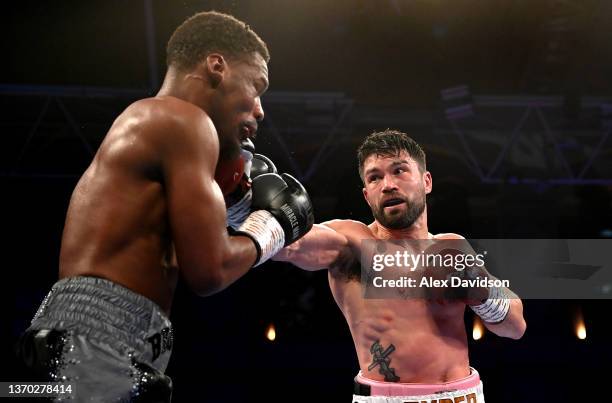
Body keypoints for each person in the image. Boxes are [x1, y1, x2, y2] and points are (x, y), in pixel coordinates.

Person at [17, 11, 313, 402]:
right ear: (216, 66)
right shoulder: (183, 121)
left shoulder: (158, 126)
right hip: (95, 345)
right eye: (256, 85)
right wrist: (271, 227)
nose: (260, 109)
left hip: (95, 344)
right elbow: (209, 271)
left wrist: (238, 210)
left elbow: (177, 249)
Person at [274, 129, 526, 403]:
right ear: (367, 195)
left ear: (426, 181)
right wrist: (254, 214)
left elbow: (514, 327)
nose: (387, 185)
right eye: (375, 177)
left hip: (465, 396)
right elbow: (293, 246)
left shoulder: (452, 246)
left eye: (399, 171)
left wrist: (478, 287)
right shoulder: (352, 244)